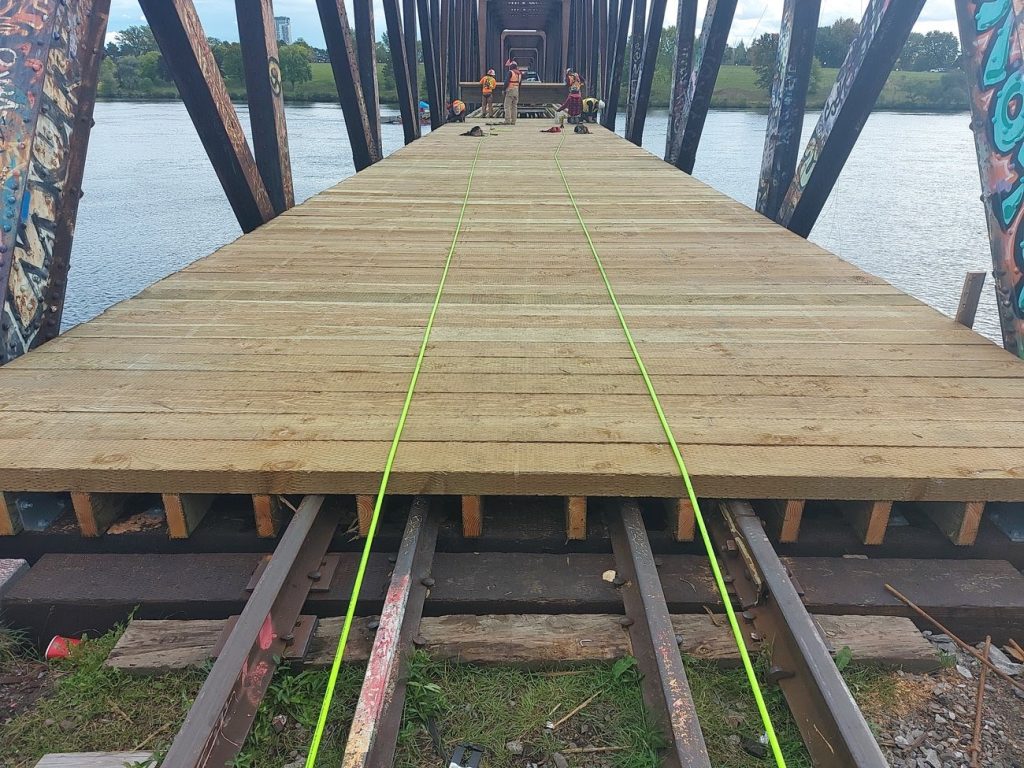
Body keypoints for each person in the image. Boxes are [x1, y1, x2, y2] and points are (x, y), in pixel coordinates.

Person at [503, 60, 522, 125]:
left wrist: (503, 89)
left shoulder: (510, 72)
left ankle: (507, 120)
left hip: (510, 90)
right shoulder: (519, 73)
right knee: (514, 106)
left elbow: (506, 82)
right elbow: (520, 83)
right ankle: (513, 121)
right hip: (516, 90)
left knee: (507, 106)